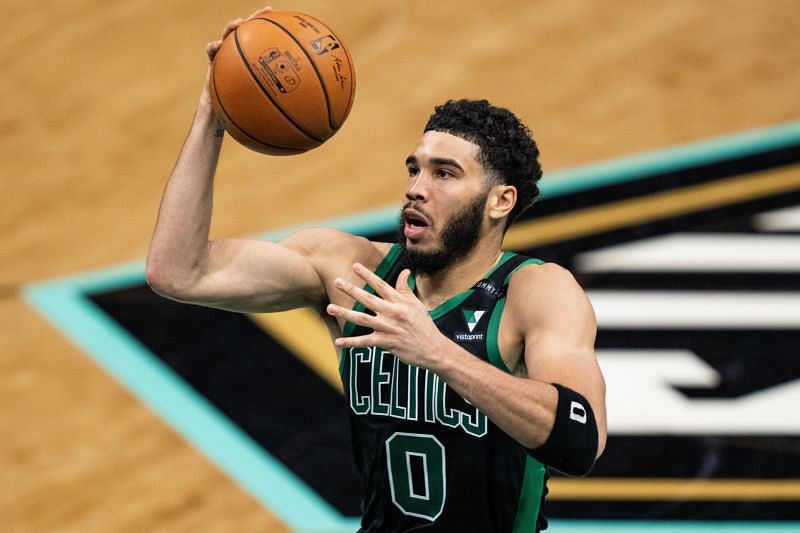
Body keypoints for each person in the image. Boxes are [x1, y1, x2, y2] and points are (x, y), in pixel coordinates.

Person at [146, 7, 607, 532]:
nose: (416, 187)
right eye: (415, 168)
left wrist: (438, 353)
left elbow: (581, 441)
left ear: (499, 201)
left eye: (444, 174)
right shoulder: (349, 269)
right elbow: (177, 272)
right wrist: (215, 109)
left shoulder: (534, 292)